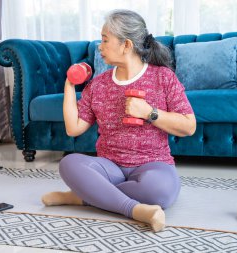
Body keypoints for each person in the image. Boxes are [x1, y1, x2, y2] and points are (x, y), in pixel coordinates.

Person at [42, 9, 196, 232]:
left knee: (160, 192)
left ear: (126, 45)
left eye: (105, 40)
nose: (99, 46)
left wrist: (150, 113)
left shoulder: (162, 77)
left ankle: (88, 196)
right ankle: (137, 210)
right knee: (69, 164)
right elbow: (73, 128)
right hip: (109, 166)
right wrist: (69, 85)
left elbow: (189, 126)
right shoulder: (98, 84)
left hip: (153, 165)